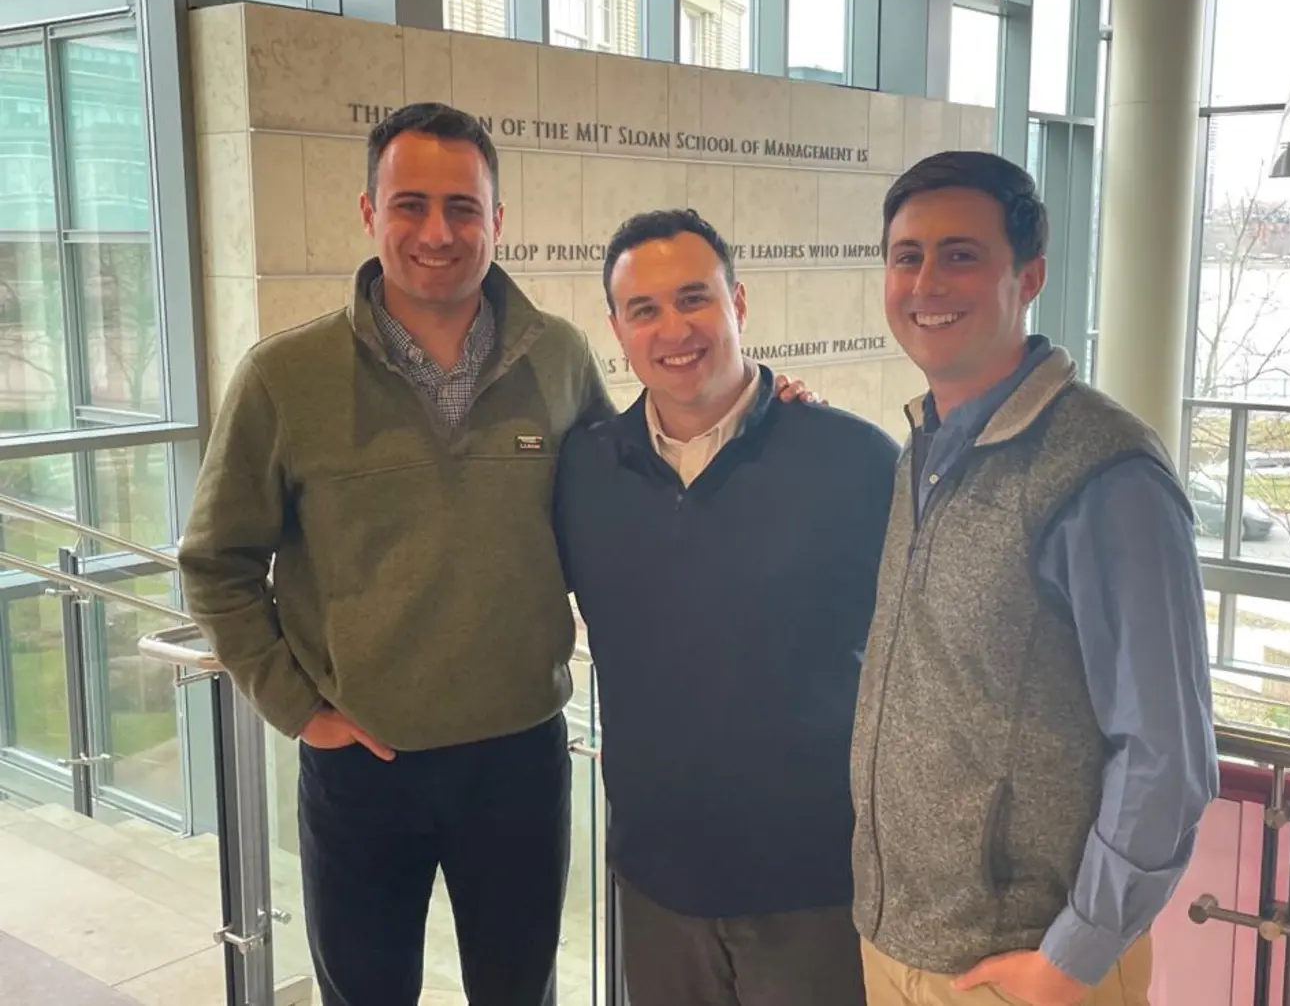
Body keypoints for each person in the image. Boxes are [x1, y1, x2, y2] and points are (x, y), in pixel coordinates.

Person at [177, 102, 816, 1006]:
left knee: (521, 993)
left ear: (497, 221)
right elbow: (215, 561)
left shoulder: (555, 357)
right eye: (410, 205)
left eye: (463, 208)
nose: (438, 232)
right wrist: (297, 706)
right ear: (369, 213)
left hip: (519, 756)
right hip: (363, 763)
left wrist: (763, 402)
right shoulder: (285, 378)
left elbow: (639, 474)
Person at [849, 151, 1219, 1006]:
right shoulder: (925, 449)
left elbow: (1167, 753)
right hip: (899, 940)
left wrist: (1075, 955)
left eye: (961, 254)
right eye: (907, 256)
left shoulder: (1103, 472)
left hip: (1028, 967)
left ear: (1031, 277)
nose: (926, 280)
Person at [554, 208, 900, 1006]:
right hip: (655, 886)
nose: (673, 328)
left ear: (738, 305)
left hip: (815, 889)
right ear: (616, 328)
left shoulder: (855, 462)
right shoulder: (584, 474)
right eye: (643, 309)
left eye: (694, 299)